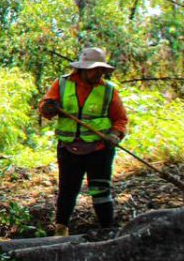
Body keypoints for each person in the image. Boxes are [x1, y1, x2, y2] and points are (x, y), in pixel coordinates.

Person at [38, 47, 128, 235]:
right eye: (94, 69)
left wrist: (115, 135)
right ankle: (61, 231)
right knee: (67, 191)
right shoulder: (63, 84)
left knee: (100, 191)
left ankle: (108, 231)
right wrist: (49, 107)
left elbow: (120, 119)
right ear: (82, 69)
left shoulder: (108, 90)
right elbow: (45, 108)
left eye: (100, 70)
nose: (98, 73)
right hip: (69, 149)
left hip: (99, 150)